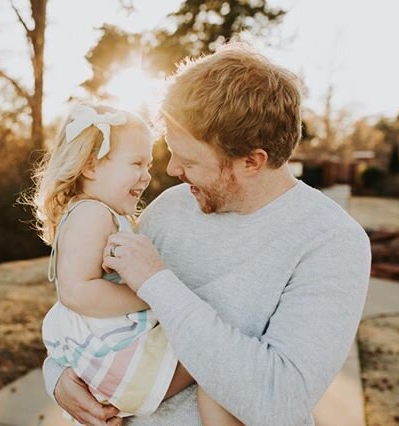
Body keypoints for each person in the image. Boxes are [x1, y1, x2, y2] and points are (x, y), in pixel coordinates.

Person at [43, 42, 372, 425]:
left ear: (252, 161)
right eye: (172, 151)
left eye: (190, 159)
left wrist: (157, 283)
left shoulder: (331, 241)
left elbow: (279, 400)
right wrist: (57, 377)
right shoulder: (171, 206)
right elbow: (95, 312)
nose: (173, 171)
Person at [29, 104, 241, 425]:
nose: (147, 175)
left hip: (109, 364)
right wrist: (150, 293)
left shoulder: (99, 212)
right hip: (118, 360)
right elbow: (75, 292)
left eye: (149, 164)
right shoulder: (92, 214)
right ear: (91, 166)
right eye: (136, 164)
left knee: (210, 360)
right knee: (212, 358)